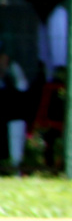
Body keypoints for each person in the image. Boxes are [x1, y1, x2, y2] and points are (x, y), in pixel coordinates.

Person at [24, 0, 69, 168]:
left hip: (60, 93)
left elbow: (61, 69)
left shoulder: (58, 18)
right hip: (49, 88)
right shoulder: (44, 18)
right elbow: (43, 65)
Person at [0, 40, 29, 171]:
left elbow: (23, 87)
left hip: (11, 114)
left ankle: (15, 164)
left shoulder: (13, 68)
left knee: (16, 116)